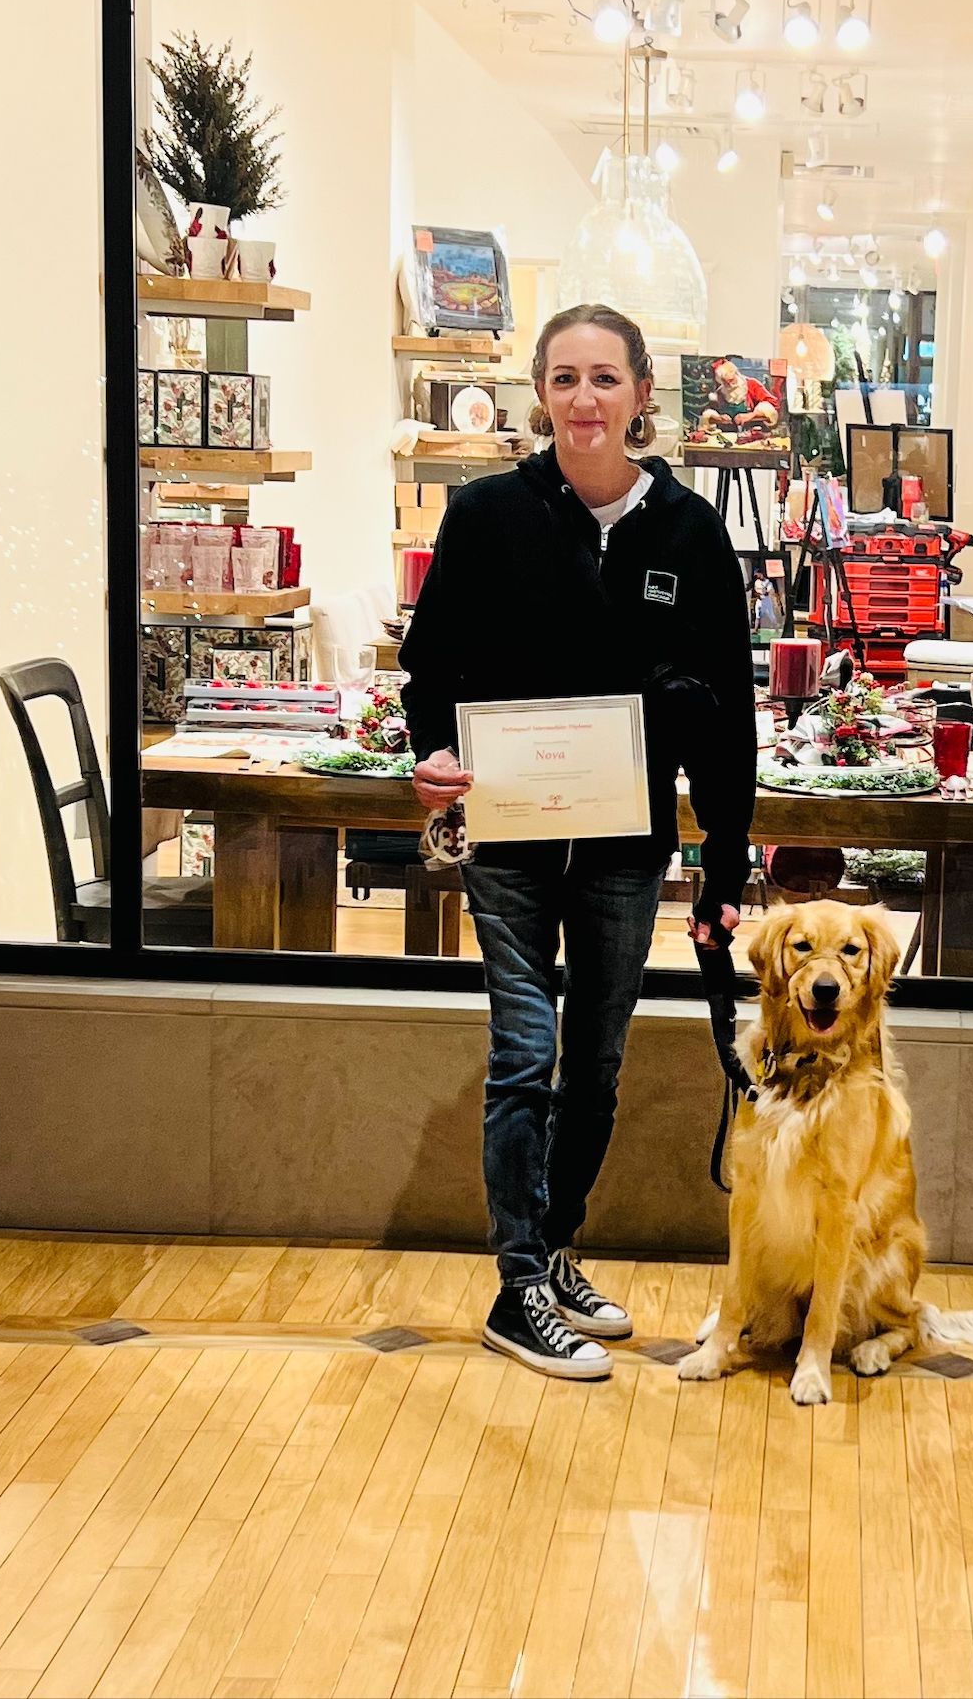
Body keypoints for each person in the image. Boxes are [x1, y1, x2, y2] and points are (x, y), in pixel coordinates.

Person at [401, 303, 756, 1381]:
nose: (584, 398)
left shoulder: (690, 533)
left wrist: (724, 862)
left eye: (605, 377)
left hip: (625, 842)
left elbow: (728, 714)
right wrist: (432, 752)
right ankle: (517, 1289)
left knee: (595, 1062)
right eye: (564, 377)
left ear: (642, 391)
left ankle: (553, 1247)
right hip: (508, 834)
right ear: (540, 392)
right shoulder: (485, 515)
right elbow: (430, 666)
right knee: (524, 1051)